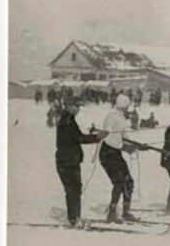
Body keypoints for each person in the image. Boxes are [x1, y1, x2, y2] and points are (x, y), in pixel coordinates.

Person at [55, 96, 104, 227]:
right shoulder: (66, 121)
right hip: (67, 160)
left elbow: (77, 137)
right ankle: (73, 219)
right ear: (69, 106)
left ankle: (76, 217)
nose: (78, 110)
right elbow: (78, 138)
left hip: (70, 159)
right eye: (76, 106)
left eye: (79, 107)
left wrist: (95, 137)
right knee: (72, 189)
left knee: (75, 188)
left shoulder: (69, 119)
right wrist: (96, 137)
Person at [99, 94, 140, 223]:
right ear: (123, 106)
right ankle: (111, 213)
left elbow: (124, 136)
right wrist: (124, 147)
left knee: (128, 182)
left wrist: (135, 145)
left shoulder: (121, 117)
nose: (129, 109)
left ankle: (126, 212)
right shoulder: (111, 117)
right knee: (119, 182)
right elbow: (108, 138)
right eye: (128, 106)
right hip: (108, 154)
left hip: (116, 153)